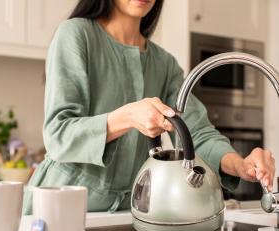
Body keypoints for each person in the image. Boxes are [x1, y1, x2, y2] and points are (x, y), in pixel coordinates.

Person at [23, 0, 275, 214]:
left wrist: (240, 165)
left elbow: (197, 133)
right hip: (58, 206)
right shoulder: (75, 34)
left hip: (126, 213)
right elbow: (58, 133)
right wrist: (129, 116)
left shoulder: (164, 64)